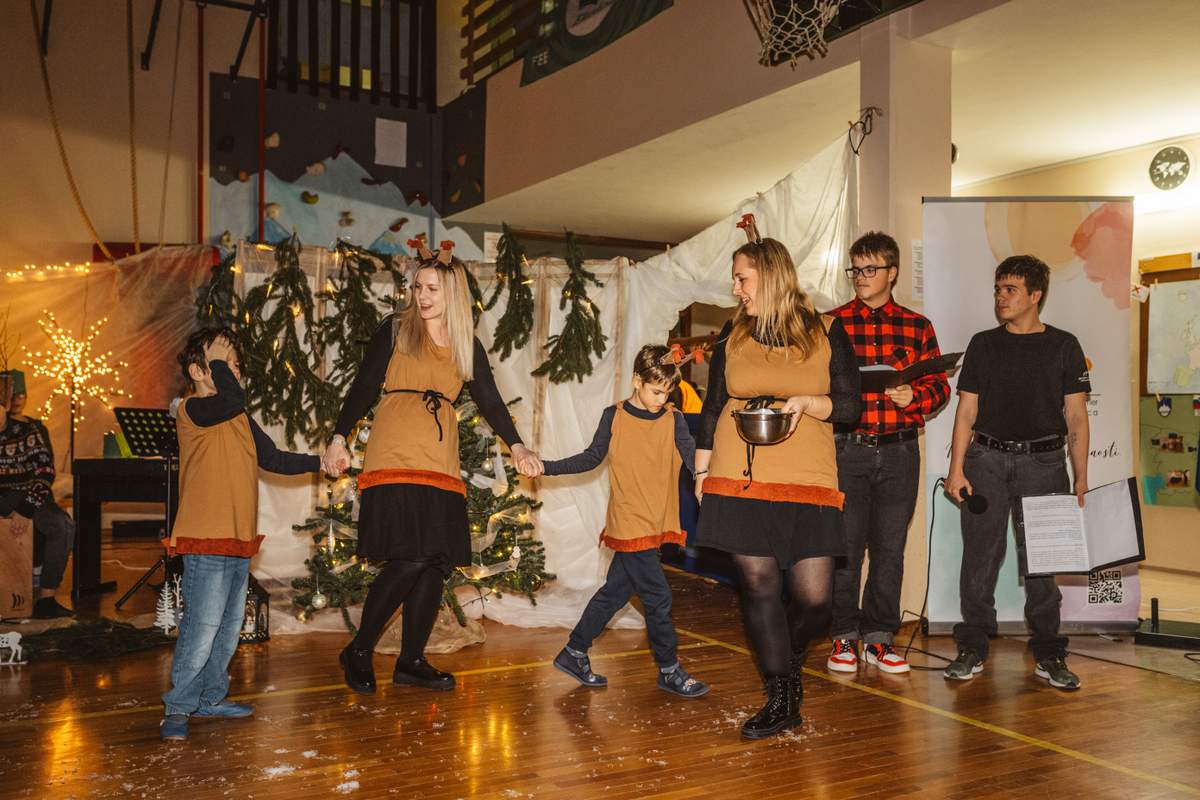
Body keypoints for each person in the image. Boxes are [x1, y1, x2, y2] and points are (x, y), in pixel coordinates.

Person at [323, 242, 542, 696]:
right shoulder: (396, 329)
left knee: (435, 562)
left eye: (431, 289)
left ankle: (411, 661)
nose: (421, 296)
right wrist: (339, 436)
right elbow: (364, 385)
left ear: (453, 293)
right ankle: (359, 649)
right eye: (417, 287)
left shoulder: (466, 344)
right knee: (413, 554)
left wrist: (518, 445)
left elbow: (490, 400)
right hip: (396, 450)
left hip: (440, 459)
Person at [693, 217, 862, 739]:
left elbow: (851, 405)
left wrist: (809, 401)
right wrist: (701, 470)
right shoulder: (733, 333)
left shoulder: (827, 330)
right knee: (759, 584)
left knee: (815, 600)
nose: (735, 289)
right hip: (737, 471)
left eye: (742, 278)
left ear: (770, 277)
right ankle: (782, 696)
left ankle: (783, 658)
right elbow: (713, 404)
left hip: (807, 474)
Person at [160, 329, 323, 741]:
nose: (233, 369)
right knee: (202, 627)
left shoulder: (237, 416)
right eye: (221, 361)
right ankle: (179, 706)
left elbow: (274, 458)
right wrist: (219, 362)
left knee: (228, 627)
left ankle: (210, 697)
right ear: (198, 371)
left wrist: (321, 462)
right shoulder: (193, 410)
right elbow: (232, 397)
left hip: (237, 538)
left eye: (234, 363)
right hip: (205, 537)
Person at [943, 255, 1090, 691]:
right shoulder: (983, 344)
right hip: (985, 461)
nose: (1000, 297)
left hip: (1044, 465)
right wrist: (956, 469)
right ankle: (972, 647)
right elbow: (966, 411)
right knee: (980, 558)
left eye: (1010, 290)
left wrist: (1081, 477)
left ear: (1035, 295)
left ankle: (1049, 652)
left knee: (1044, 562)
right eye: (997, 289)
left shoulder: (1064, 345)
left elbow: (1076, 417)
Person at [545, 344, 708, 698]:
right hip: (629, 519)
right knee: (658, 597)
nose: (661, 399)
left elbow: (692, 458)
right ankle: (669, 670)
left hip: (655, 520)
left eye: (667, 393)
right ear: (637, 380)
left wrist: (709, 480)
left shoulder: (674, 419)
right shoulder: (614, 416)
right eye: (655, 391)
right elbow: (590, 458)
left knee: (615, 593)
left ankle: (574, 651)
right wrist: (546, 467)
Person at [825, 232, 949, 675]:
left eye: (870, 269)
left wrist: (914, 398)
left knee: (890, 550)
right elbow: (813, 383)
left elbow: (939, 388)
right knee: (845, 549)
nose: (860, 277)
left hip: (900, 452)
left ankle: (879, 639)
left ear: (892, 272)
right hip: (847, 450)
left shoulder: (918, 326)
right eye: (855, 269)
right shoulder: (832, 323)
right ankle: (842, 637)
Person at [0, 369, 75, 618]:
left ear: (5, 405)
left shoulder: (28, 431)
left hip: (25, 495)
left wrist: (25, 510)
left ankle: (46, 599)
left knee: (62, 525)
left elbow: (45, 471)